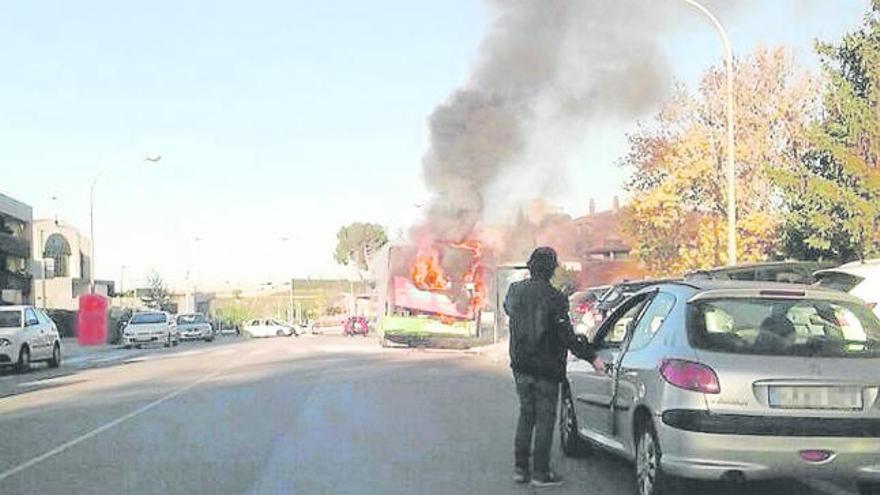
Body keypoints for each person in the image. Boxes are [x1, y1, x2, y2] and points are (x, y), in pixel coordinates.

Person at [504, 247, 603, 487]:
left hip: (521, 365)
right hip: (546, 369)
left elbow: (509, 310)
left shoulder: (515, 291)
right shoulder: (555, 298)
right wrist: (591, 357)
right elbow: (565, 336)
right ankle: (540, 473)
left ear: (530, 266)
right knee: (545, 420)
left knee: (526, 416)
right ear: (551, 269)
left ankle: (520, 469)